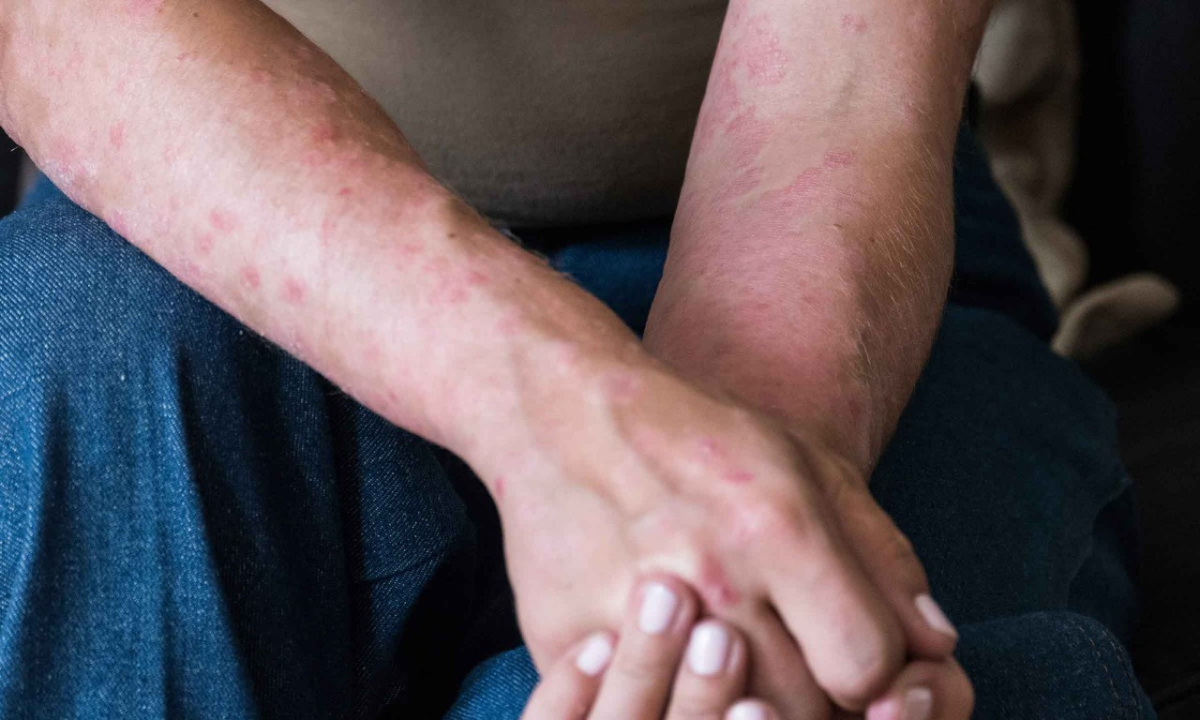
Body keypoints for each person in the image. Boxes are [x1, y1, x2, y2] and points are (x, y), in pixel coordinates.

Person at [0, 0, 1154, 718]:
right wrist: (547, 402)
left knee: (799, 675)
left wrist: (733, 544)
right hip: (199, 204)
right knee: (83, 336)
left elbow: (837, 85)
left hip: (829, 227)